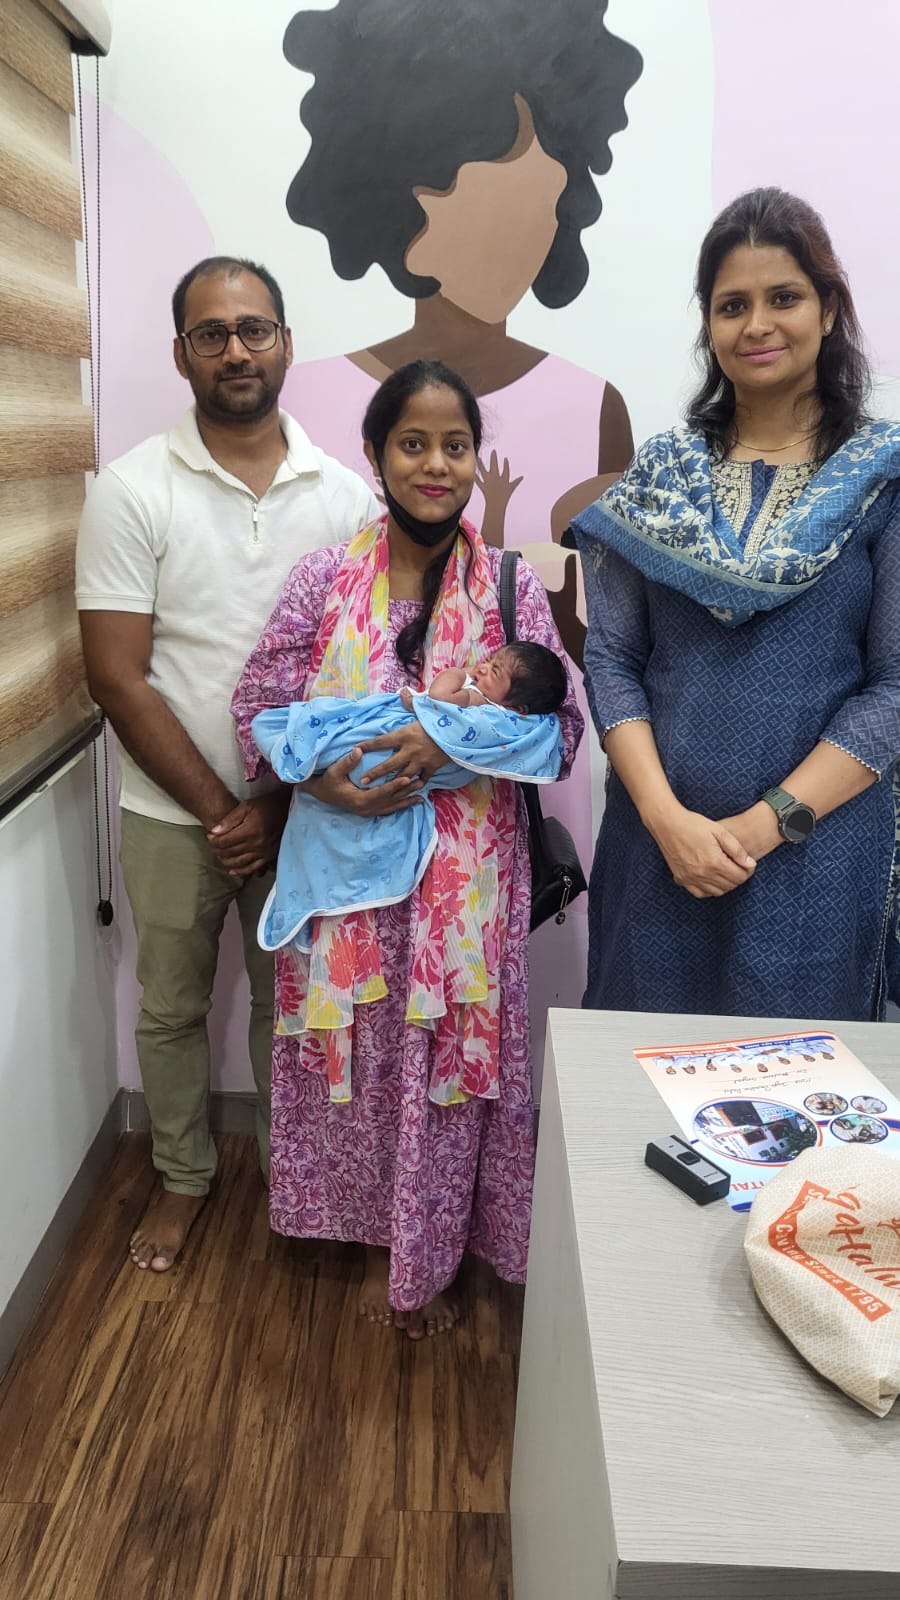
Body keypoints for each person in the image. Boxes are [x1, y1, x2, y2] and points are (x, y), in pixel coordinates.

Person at [232, 358, 583, 1337]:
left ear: (475, 459)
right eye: (413, 443)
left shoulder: (510, 586)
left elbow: (564, 734)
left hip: (462, 900)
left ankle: (433, 1254)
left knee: (442, 1072)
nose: (436, 464)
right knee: (359, 1064)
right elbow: (258, 705)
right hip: (346, 883)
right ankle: (363, 1236)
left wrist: (446, 744)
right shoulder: (322, 579)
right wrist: (320, 780)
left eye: (455, 445)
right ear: (376, 454)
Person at [75, 255, 378, 1273]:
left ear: (286, 342)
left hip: (306, 814)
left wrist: (279, 805)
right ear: (182, 354)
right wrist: (222, 810)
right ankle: (182, 1176)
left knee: (296, 1010)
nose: (236, 350)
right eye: (212, 334)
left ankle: (296, 1181)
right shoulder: (131, 490)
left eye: (254, 329)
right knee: (171, 1008)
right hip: (172, 817)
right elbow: (116, 676)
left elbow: (359, 674)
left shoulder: (344, 497)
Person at [571, 188, 900, 1021]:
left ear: (828, 309)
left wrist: (761, 827)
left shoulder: (883, 477)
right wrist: (667, 822)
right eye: (731, 306)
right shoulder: (662, 477)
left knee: (796, 1087)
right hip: (658, 850)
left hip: (814, 857)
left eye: (783, 297)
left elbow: (894, 686)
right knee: (641, 1080)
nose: (757, 325)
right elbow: (613, 658)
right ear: (709, 324)